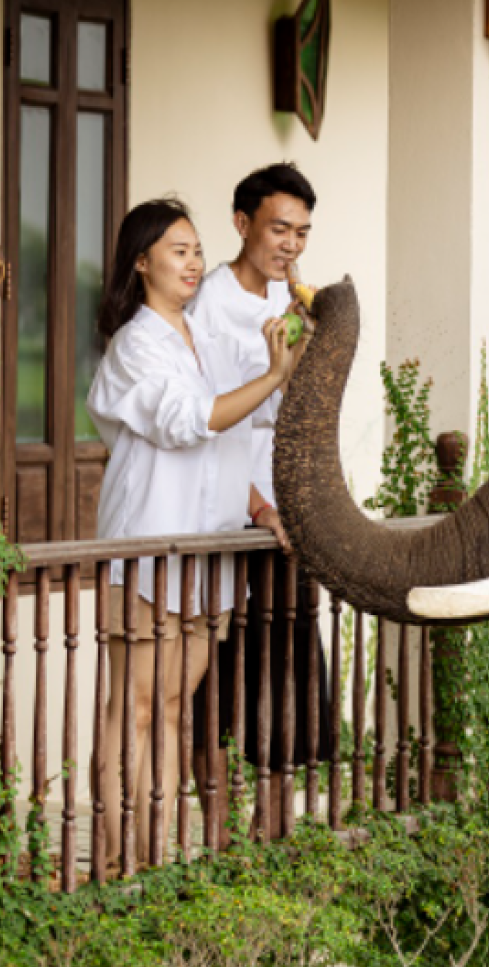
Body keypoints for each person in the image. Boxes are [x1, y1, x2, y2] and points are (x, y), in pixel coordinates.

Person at [86, 197, 309, 869]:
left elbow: (224, 447)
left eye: (195, 250)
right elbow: (188, 423)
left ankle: (154, 856)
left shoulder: (201, 342)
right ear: (141, 261)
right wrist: (271, 375)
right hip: (150, 550)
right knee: (137, 709)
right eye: (177, 250)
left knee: (179, 709)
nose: (192, 262)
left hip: (205, 558)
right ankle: (114, 860)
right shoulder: (135, 344)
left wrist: (262, 508)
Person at [188, 164, 334, 818]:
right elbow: (207, 421)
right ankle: (218, 829)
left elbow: (297, 405)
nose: (291, 245)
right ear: (242, 223)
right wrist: (257, 505)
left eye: (301, 233)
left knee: (288, 657)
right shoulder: (207, 307)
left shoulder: (290, 303)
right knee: (216, 668)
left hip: (285, 500)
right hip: (229, 504)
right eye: (280, 228)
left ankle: (276, 828)